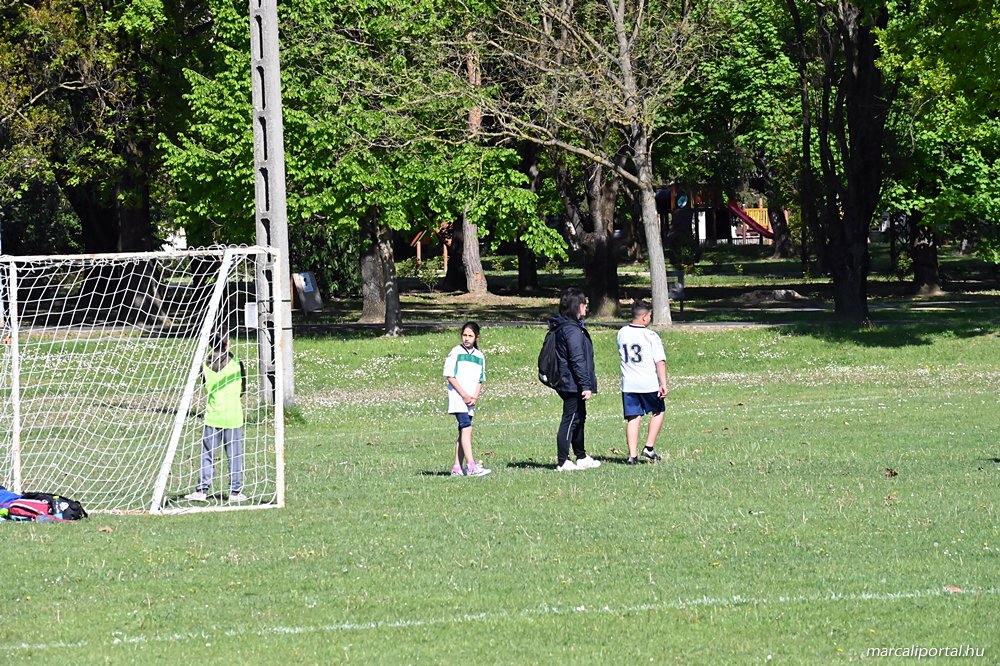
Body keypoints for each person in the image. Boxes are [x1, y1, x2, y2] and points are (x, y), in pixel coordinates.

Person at [185, 332, 248, 502]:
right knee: (234, 456)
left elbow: (206, 385)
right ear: (228, 344)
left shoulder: (204, 365)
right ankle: (235, 492)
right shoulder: (237, 363)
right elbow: (243, 389)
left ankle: (202, 490)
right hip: (233, 416)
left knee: (208, 454)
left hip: (213, 415)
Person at [548, 287, 601, 472]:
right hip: (571, 382)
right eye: (584, 303)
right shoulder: (571, 330)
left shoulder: (569, 326)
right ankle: (563, 461)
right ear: (576, 305)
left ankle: (581, 456)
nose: (586, 306)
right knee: (570, 419)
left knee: (579, 417)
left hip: (571, 380)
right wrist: (585, 385)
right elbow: (577, 359)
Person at [617, 300, 668, 464]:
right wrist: (663, 383)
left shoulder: (622, 333)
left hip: (629, 384)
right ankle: (649, 447)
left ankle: (632, 456)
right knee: (659, 411)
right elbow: (660, 362)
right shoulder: (650, 336)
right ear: (644, 317)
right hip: (648, 383)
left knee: (633, 417)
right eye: (650, 316)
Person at [444, 321, 491, 477]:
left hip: (470, 400)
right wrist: (463, 394)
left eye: (470, 335)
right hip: (459, 398)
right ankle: (471, 466)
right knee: (466, 428)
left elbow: (481, 379)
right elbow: (450, 375)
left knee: (463, 431)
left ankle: (457, 468)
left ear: (476, 337)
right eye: (464, 335)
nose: (467, 338)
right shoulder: (455, 352)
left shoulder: (479, 356)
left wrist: (474, 397)